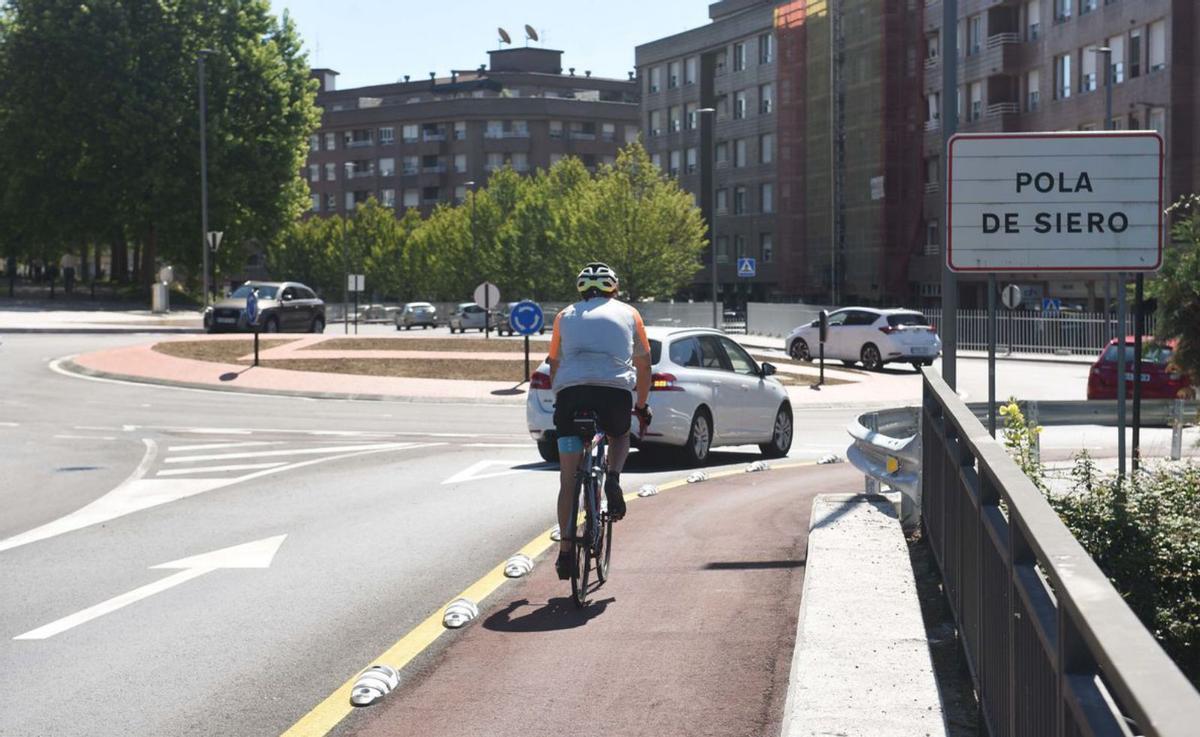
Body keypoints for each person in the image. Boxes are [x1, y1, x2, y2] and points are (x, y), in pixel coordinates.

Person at [548, 262, 653, 580]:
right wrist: (642, 405)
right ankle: (614, 478)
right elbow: (644, 362)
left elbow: (554, 362)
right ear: (614, 289)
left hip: (571, 395)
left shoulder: (563, 316)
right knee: (619, 435)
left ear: (581, 291)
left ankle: (566, 552)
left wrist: (560, 397)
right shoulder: (630, 314)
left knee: (568, 479)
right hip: (614, 395)